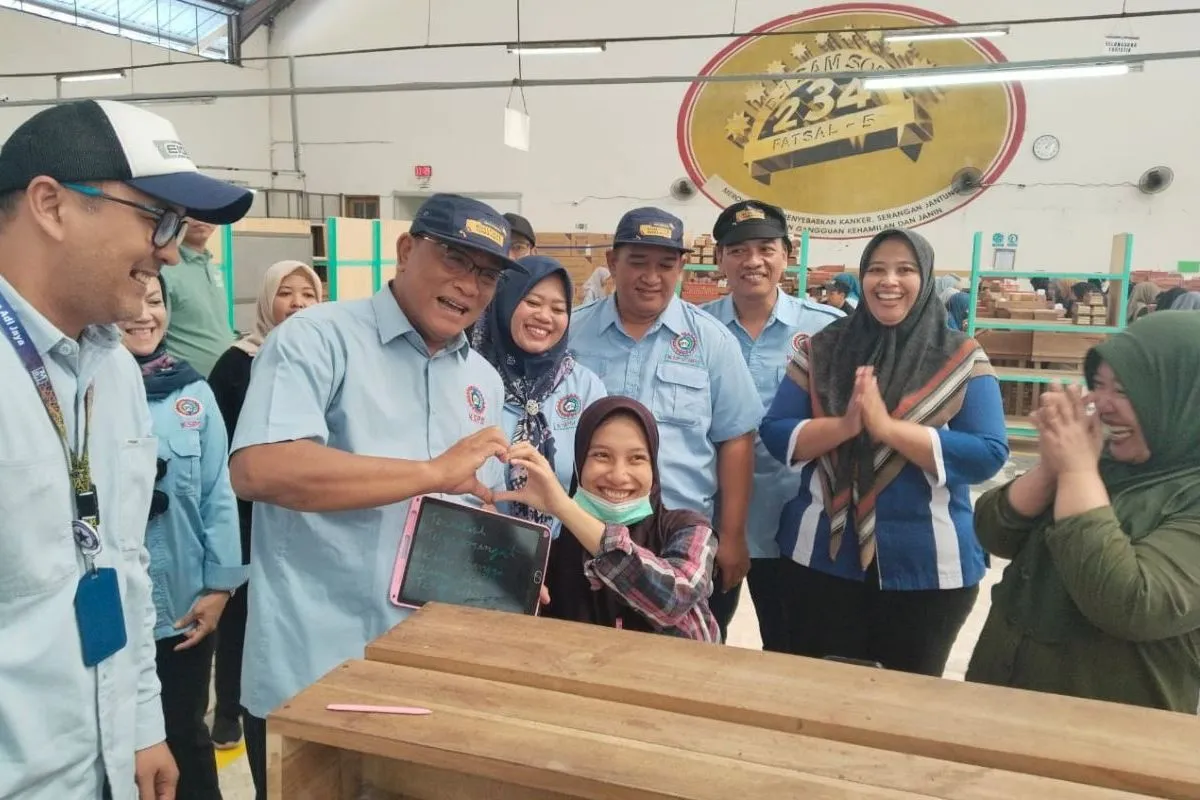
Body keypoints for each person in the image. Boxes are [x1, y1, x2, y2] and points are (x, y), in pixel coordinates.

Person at [228, 193, 525, 798]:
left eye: (488, 275)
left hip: (426, 677)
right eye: (455, 260)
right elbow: (261, 469)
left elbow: (464, 509)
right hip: (314, 670)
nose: (469, 285)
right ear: (406, 250)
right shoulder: (317, 339)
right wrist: (429, 472)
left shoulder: (482, 380)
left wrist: (506, 576)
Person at [0, 98, 251, 800]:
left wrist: (140, 725)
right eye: (157, 219)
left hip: (102, 761)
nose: (170, 251)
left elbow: (120, 561)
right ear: (51, 205)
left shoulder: (111, 368)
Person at [760, 227, 1009, 676]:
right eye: (876, 269)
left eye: (905, 269)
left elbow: (987, 453)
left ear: (925, 279)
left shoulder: (962, 356)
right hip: (818, 559)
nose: (888, 281)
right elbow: (777, 433)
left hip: (928, 568)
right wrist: (846, 426)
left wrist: (889, 430)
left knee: (907, 697)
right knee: (819, 689)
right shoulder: (824, 349)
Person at [967, 312, 1200, 713]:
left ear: (1181, 397)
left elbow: (1131, 603)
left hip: (1108, 730)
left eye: (1125, 391)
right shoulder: (1104, 460)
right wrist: (1051, 470)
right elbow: (994, 532)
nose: (1102, 405)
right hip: (1002, 706)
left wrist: (1076, 471)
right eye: (1099, 385)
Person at [568, 207, 762, 642]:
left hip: (679, 546)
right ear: (612, 261)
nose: (651, 277)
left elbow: (736, 440)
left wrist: (732, 536)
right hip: (583, 536)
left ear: (680, 268)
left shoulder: (711, 341)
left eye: (665, 265)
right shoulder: (572, 334)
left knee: (684, 659)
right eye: (637, 262)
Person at [121, 275, 246, 799]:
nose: (144, 314)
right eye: (131, 302)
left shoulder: (193, 391)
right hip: (113, 614)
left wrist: (219, 589)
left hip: (184, 607)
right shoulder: (86, 389)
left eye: (155, 302)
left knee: (185, 735)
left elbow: (219, 492)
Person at [700, 200, 842, 652]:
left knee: (792, 652)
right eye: (738, 250)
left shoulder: (828, 330)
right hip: (710, 523)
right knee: (698, 646)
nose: (753, 261)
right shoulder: (695, 328)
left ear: (787, 255)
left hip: (794, 523)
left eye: (765, 249)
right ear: (720, 259)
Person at [206, 259, 323, 751]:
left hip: (304, 510)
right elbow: (218, 446)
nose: (297, 303)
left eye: (308, 294)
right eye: (285, 292)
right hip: (247, 512)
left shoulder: (322, 357)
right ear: (265, 299)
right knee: (242, 613)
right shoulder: (237, 363)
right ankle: (230, 710)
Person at [500, 396, 719, 641]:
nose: (618, 475)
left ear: (653, 468)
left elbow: (673, 601)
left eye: (637, 458)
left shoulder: (690, 530)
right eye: (601, 455)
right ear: (579, 463)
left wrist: (563, 507)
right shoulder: (550, 550)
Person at [470, 255, 606, 524]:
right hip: (469, 537)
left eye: (558, 309)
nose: (544, 317)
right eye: (532, 303)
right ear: (504, 302)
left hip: (561, 542)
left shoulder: (585, 388)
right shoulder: (470, 375)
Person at [161, 218, 233, 377]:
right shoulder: (165, 268)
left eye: (209, 211)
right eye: (193, 211)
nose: (200, 218)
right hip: (186, 385)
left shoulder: (211, 266)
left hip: (223, 382)